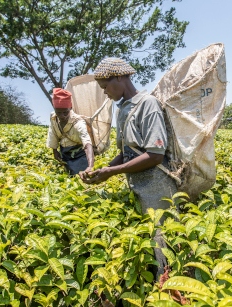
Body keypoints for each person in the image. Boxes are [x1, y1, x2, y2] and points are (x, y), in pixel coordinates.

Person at [79, 57, 177, 278]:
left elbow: (154, 155)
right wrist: (102, 170)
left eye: (105, 87)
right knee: (145, 244)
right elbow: (126, 152)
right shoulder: (122, 109)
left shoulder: (147, 105)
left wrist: (112, 172)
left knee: (161, 245)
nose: (105, 93)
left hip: (156, 186)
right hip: (136, 183)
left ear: (121, 77)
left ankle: (168, 292)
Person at [46, 88, 94, 176]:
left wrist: (90, 165)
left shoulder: (78, 122)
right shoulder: (54, 118)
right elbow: (52, 133)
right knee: (69, 176)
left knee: (82, 177)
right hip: (64, 153)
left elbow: (87, 143)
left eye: (65, 112)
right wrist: (55, 151)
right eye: (59, 112)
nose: (62, 116)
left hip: (80, 154)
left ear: (70, 108)